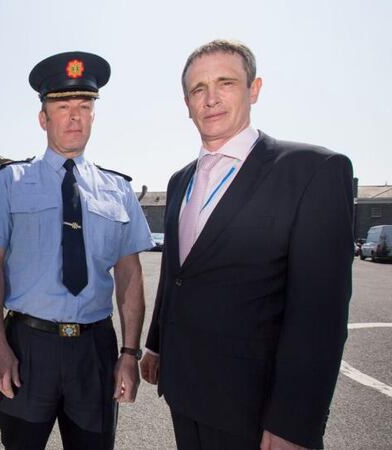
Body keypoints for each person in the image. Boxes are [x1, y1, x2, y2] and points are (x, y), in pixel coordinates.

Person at [140, 40, 353, 450]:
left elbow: (320, 315)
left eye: (226, 83)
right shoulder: (179, 180)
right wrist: (156, 345)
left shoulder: (312, 171)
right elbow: (176, 273)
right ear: (186, 103)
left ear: (254, 89)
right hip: (185, 393)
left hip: (254, 410)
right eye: (198, 89)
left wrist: (295, 423)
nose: (212, 98)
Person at [0, 51, 154, 450]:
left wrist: (129, 353)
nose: (74, 116)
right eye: (63, 106)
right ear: (43, 118)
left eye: (84, 106)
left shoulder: (118, 189)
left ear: (94, 115)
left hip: (94, 349)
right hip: (28, 348)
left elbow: (129, 275)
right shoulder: (11, 182)